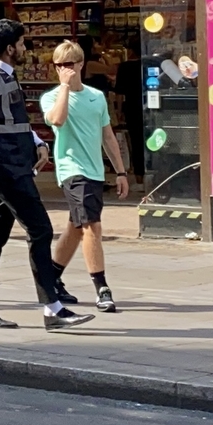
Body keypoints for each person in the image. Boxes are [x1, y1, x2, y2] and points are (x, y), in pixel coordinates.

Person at [0, 19, 92, 330]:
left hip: (13, 164)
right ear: (9, 48)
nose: (24, 48)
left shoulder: (5, 78)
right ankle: (52, 308)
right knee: (41, 230)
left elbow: (12, 120)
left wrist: (36, 142)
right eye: (20, 43)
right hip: (6, 169)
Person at [42, 39, 132, 313]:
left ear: (80, 64)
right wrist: (66, 88)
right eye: (59, 66)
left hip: (94, 170)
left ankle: (52, 277)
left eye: (69, 64)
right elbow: (56, 120)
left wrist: (120, 171)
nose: (64, 70)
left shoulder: (96, 97)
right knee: (93, 226)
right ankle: (101, 286)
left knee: (76, 227)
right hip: (72, 170)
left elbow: (107, 135)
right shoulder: (52, 96)